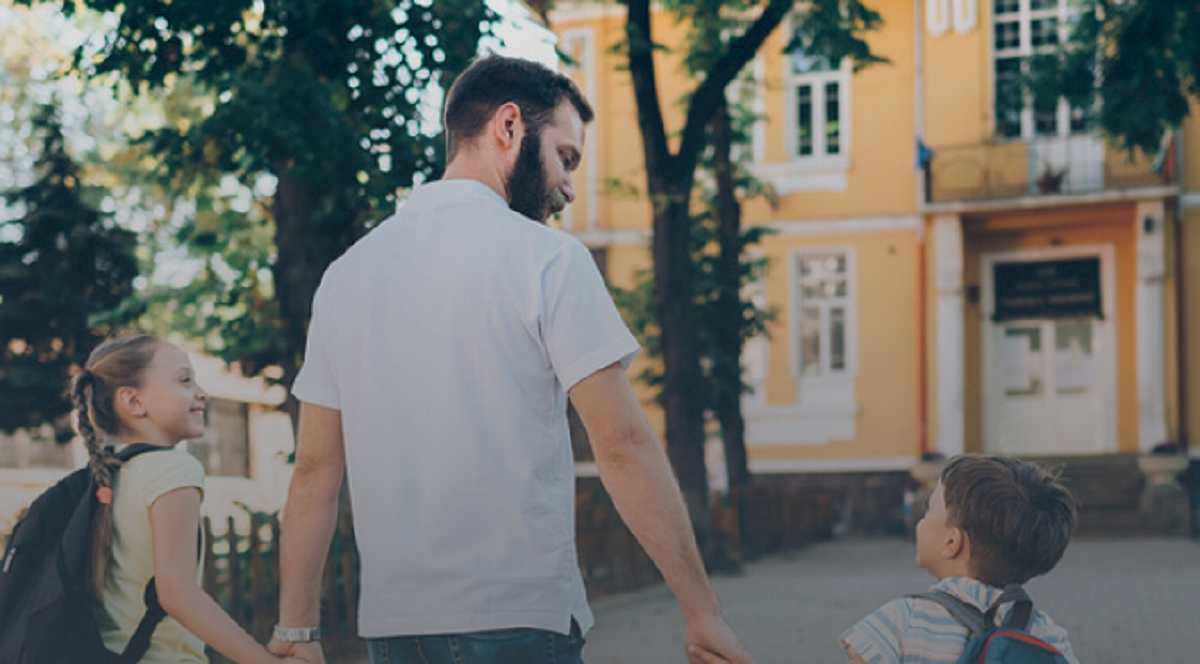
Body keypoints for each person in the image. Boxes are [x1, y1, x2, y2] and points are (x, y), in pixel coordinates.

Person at [268, 55, 752, 664]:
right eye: (566, 157)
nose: (570, 185)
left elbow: (314, 470)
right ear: (509, 126)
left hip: (393, 633)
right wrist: (702, 613)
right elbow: (623, 445)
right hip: (518, 621)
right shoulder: (549, 260)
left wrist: (296, 633)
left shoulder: (346, 277)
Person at [76, 334, 303, 664]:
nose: (201, 393)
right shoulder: (172, 469)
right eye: (184, 380)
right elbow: (177, 593)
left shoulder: (111, 473)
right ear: (134, 402)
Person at [840, 455, 1080, 663]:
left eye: (929, 509)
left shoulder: (901, 620)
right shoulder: (1046, 633)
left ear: (952, 543)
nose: (921, 521)